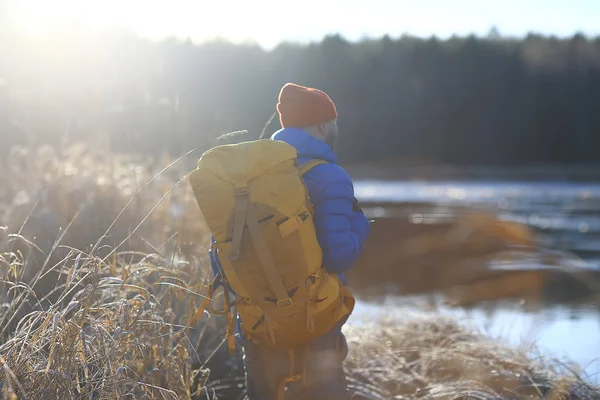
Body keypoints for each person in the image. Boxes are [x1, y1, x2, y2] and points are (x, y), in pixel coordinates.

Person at [209, 83, 370, 399]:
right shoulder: (330, 177)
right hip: (317, 329)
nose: (337, 127)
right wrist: (361, 226)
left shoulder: (246, 177)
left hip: (261, 326)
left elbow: (220, 257)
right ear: (323, 124)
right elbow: (338, 257)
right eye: (334, 121)